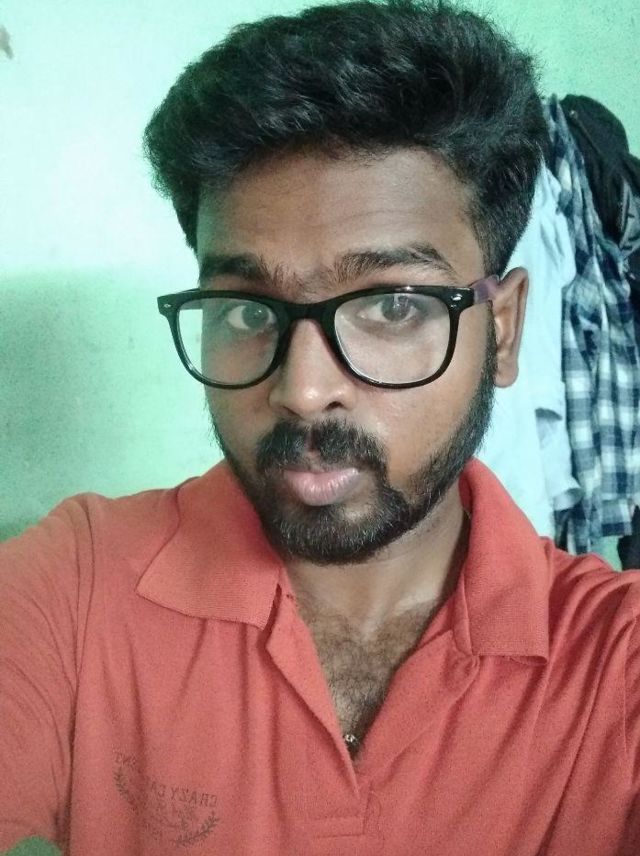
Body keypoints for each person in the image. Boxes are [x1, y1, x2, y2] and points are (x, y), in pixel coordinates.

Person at [1, 1, 639, 854]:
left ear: (505, 329)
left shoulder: (615, 663)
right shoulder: (76, 590)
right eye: (245, 310)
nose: (302, 391)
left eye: (392, 306)